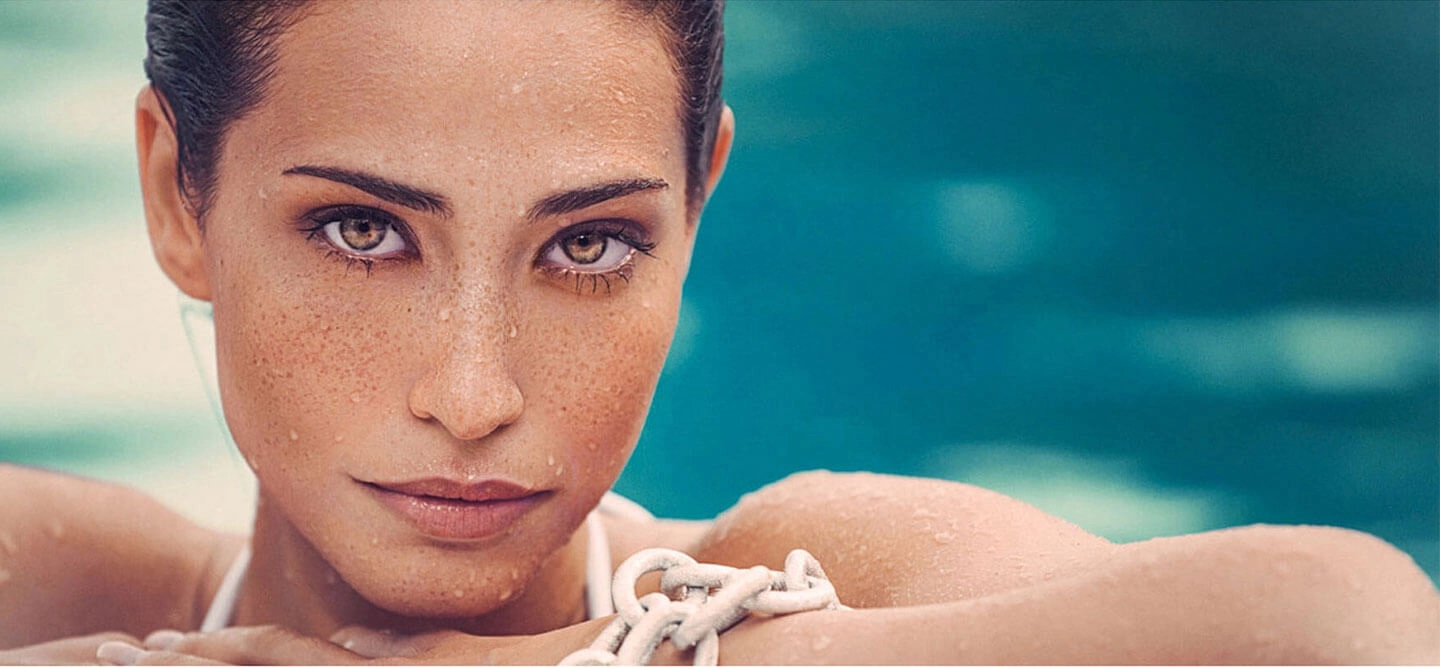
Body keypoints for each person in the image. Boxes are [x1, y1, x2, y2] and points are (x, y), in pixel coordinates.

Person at [1, 0, 1436, 664]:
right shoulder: (61, 604)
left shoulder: (815, 584)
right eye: (364, 231)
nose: (471, 390)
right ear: (173, 190)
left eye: (589, 244)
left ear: (700, 209)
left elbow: (1352, 633)